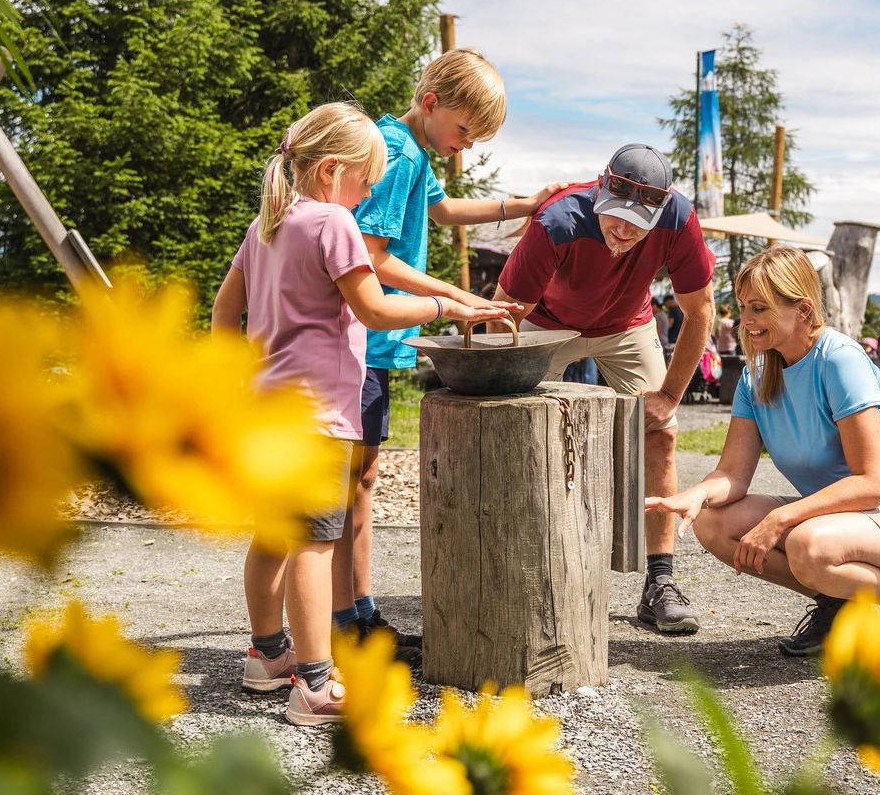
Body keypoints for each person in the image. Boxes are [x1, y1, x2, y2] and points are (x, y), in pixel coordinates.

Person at [211, 103, 506, 725]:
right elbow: (373, 310)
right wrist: (443, 308)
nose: (372, 192)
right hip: (317, 416)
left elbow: (222, 310)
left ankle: (267, 656)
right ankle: (316, 683)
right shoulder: (333, 224)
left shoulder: (266, 224)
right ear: (329, 172)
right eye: (367, 181)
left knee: (273, 534)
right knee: (315, 543)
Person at [345, 49, 565, 654]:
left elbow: (441, 211)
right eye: (465, 131)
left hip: (376, 344)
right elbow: (371, 256)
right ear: (432, 102)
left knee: (360, 480)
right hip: (360, 342)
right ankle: (348, 623)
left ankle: (359, 615)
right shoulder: (396, 154)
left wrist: (523, 205)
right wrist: (455, 298)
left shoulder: (414, 150)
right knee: (346, 485)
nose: (465, 146)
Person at [644, 246, 880, 656]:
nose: (747, 320)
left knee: (808, 545)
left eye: (759, 307)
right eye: (743, 307)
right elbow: (734, 475)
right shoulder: (755, 376)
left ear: (803, 309)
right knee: (714, 524)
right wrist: (697, 494)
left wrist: (780, 518)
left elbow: (873, 483)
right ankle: (839, 603)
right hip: (844, 517)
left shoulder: (839, 360)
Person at [495, 143, 716, 634]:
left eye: (637, 223)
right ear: (600, 187)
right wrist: (497, 386)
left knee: (662, 432)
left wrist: (670, 397)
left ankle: (659, 582)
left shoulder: (679, 219)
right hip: (545, 323)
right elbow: (504, 313)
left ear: (660, 211)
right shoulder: (557, 221)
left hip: (627, 325)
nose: (622, 230)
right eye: (615, 216)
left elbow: (700, 311)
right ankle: (515, 563)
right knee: (509, 421)